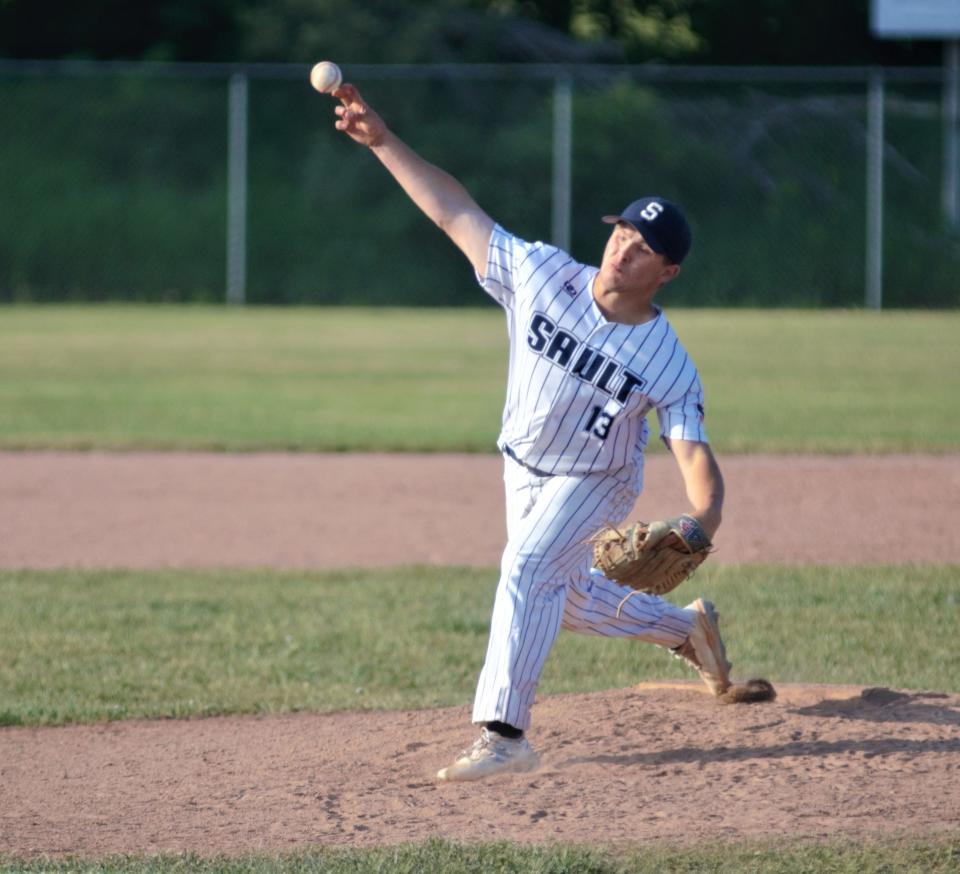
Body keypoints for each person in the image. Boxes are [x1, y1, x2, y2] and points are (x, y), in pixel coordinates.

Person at [330, 82, 730, 782]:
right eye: (621, 234)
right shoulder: (542, 273)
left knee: (523, 570)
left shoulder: (669, 362)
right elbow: (455, 210)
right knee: (562, 598)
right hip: (521, 466)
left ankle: (505, 735)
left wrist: (704, 519)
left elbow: (693, 452)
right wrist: (383, 142)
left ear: (667, 272)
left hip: (596, 481)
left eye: (643, 250)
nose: (622, 252)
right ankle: (686, 627)